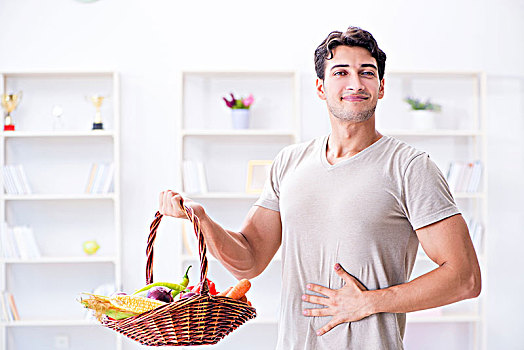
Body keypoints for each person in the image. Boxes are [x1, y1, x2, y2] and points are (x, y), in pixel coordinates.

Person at [159, 26, 481, 350]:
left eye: (366, 73)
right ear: (320, 87)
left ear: (381, 87)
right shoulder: (289, 162)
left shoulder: (410, 167)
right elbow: (250, 260)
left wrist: (370, 302)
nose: (355, 83)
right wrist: (201, 219)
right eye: (341, 72)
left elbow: (464, 278)